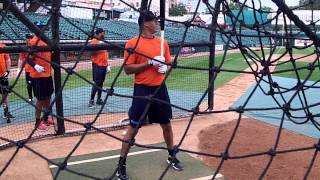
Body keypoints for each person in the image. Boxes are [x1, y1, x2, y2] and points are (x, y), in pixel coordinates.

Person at [116, 11, 183, 180]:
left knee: (166, 125)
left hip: (160, 89)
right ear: (146, 23)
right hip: (142, 91)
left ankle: (171, 156)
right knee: (133, 128)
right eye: (154, 21)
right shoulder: (132, 43)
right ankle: (121, 166)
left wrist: (164, 69)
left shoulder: (163, 43)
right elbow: (127, 69)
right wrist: (150, 62)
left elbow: (168, 65)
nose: (157, 23)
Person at [26, 22, 54, 131]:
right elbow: (27, 58)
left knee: (48, 97)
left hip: (47, 74)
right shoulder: (33, 41)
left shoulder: (47, 41)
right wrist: (35, 65)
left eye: (43, 28)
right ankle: (37, 123)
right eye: (40, 28)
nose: (42, 30)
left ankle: (46, 119)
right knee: (40, 99)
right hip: (38, 75)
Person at [88, 28, 111, 108]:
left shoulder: (103, 41)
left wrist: (107, 65)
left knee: (101, 83)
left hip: (104, 65)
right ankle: (91, 100)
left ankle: (99, 99)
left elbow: (105, 55)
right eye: (102, 33)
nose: (104, 35)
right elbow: (91, 53)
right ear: (98, 34)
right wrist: (99, 46)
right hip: (97, 65)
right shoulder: (94, 41)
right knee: (97, 83)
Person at [0, 43, 15, 122]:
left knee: (5, 95)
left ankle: (6, 112)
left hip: (3, 76)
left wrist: (8, 70)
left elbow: (7, 59)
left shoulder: (2, 46)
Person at [18, 33, 34, 102]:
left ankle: (37, 96)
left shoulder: (36, 47)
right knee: (29, 84)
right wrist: (19, 69)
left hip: (36, 70)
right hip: (28, 70)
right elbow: (20, 59)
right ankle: (30, 97)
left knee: (37, 84)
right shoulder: (24, 48)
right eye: (28, 38)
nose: (29, 39)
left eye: (31, 38)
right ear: (26, 39)